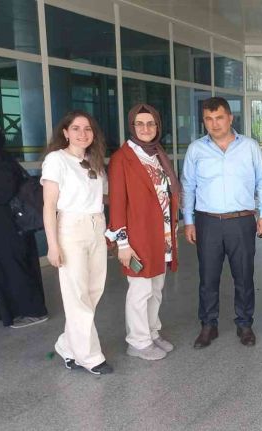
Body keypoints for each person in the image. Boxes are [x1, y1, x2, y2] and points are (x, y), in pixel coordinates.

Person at [182, 97, 262, 349]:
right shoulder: (196, 149)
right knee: (208, 277)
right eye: (208, 119)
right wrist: (188, 221)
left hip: (241, 221)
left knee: (244, 276)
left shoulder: (249, 146)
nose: (214, 124)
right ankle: (208, 325)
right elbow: (188, 185)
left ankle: (245, 324)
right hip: (207, 222)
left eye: (219, 117)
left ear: (230, 118)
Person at [106, 104, 180, 361]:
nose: (146, 128)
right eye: (140, 124)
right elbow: (117, 203)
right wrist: (123, 244)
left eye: (151, 123)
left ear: (157, 126)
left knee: (156, 288)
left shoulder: (157, 153)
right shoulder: (122, 158)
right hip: (138, 235)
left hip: (161, 234)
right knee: (140, 290)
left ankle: (151, 331)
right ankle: (137, 342)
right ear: (132, 126)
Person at [41, 111, 112, 375]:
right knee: (77, 294)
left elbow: (103, 198)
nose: (82, 133)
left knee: (93, 291)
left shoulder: (94, 161)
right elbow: (49, 206)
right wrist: (53, 245)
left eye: (88, 129)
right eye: (76, 128)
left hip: (96, 226)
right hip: (71, 229)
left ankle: (67, 345)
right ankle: (89, 356)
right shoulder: (56, 159)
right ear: (65, 133)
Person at [0, 126, 48, 328]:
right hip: (6, 226)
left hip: (9, 227)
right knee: (7, 269)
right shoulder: (3, 158)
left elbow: (3, 192)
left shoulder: (1, 160)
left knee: (15, 268)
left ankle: (33, 311)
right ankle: (10, 310)